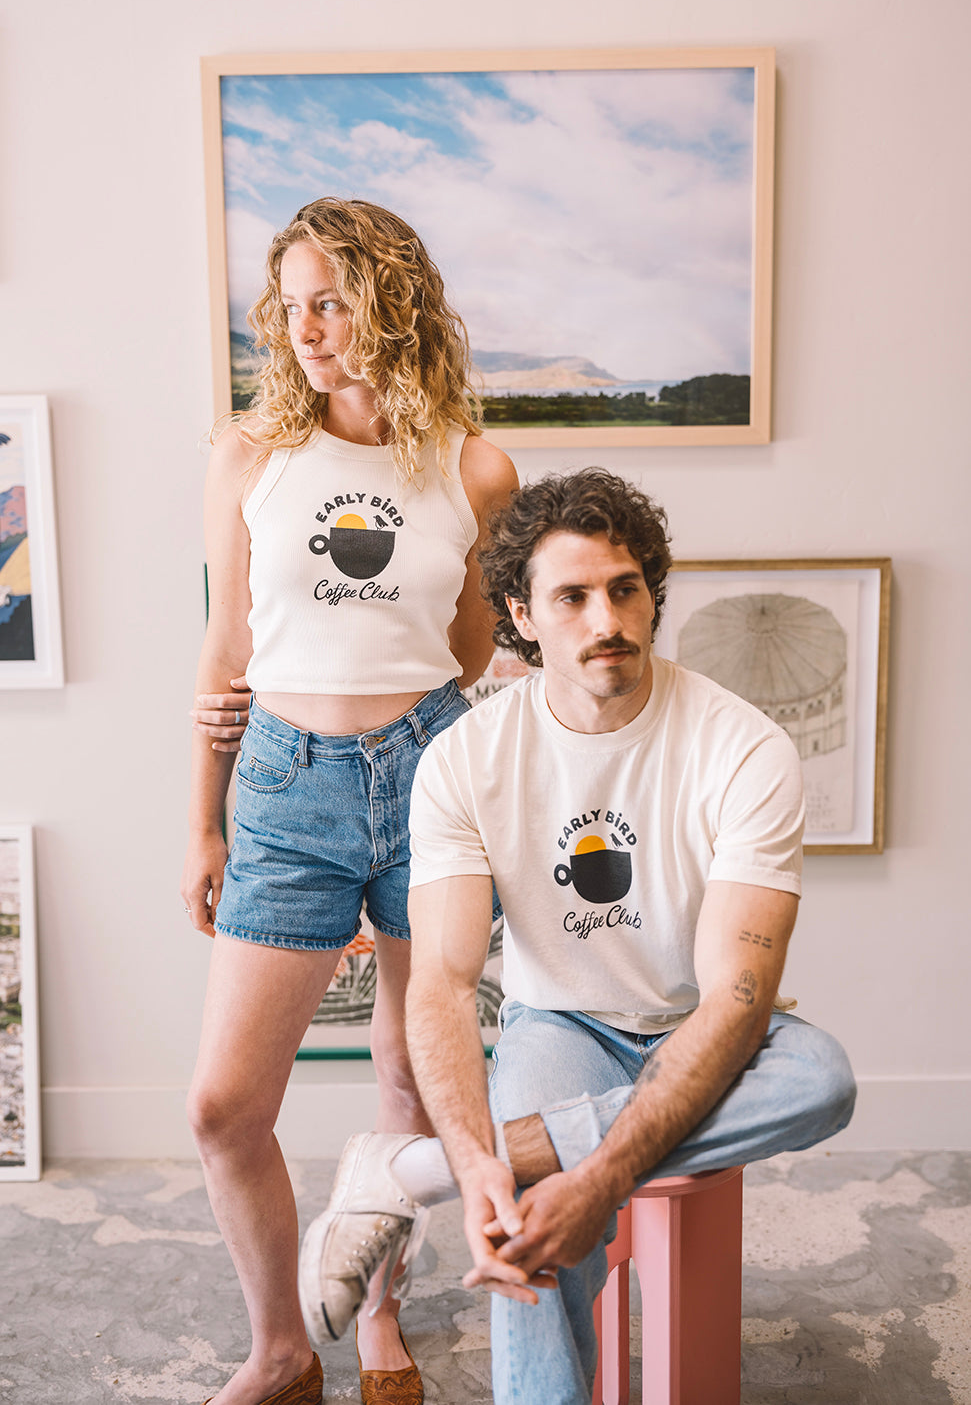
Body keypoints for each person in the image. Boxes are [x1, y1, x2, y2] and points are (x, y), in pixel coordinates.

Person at [297, 467, 857, 1404]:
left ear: (652, 595)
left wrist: (592, 1178)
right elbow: (441, 982)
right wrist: (484, 1165)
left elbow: (735, 1000)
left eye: (625, 589)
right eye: (572, 597)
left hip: (699, 1020)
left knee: (820, 1079)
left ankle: (408, 1169)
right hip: (561, 1023)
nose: (608, 620)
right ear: (521, 615)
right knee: (522, 1209)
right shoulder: (465, 760)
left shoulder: (743, 747)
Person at [180, 197, 518, 1405]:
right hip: (285, 785)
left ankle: (377, 1307)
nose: (305, 331)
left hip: (432, 779)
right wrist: (203, 820)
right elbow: (226, 648)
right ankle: (280, 1351)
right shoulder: (249, 453)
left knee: (412, 1076)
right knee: (224, 1106)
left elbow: (467, 649)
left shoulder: (475, 468)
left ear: (392, 302)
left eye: (330, 302)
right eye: (289, 307)